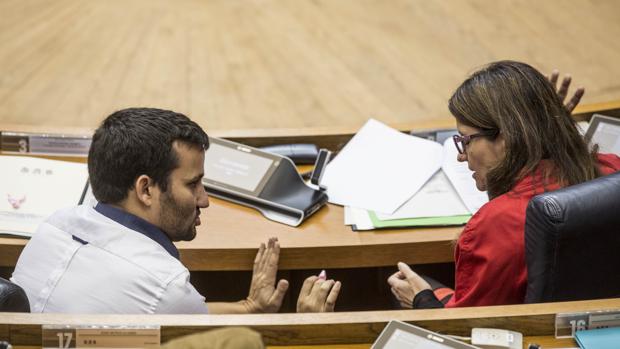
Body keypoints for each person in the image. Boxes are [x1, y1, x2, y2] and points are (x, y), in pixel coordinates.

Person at [11, 108, 341, 314]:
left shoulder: (53, 226)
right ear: (145, 189)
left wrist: (250, 306)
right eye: (193, 184)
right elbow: (173, 308)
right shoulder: (164, 286)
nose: (205, 200)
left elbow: (179, 315)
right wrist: (308, 325)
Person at [387, 61, 620, 309]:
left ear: (507, 139)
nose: (461, 155)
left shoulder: (495, 224)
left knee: (395, 284)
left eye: (465, 140)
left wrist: (423, 302)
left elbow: (470, 329)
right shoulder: (612, 169)